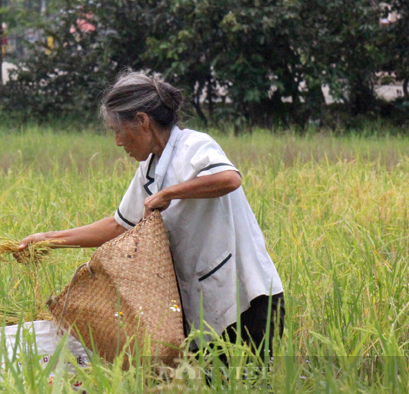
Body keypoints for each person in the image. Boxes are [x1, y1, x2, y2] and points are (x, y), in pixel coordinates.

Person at [17, 72, 285, 365]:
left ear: (142, 121)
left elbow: (229, 178)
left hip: (247, 300)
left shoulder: (194, 145)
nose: (118, 141)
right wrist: (46, 240)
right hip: (204, 306)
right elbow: (118, 225)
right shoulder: (149, 168)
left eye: (117, 130)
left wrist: (171, 193)